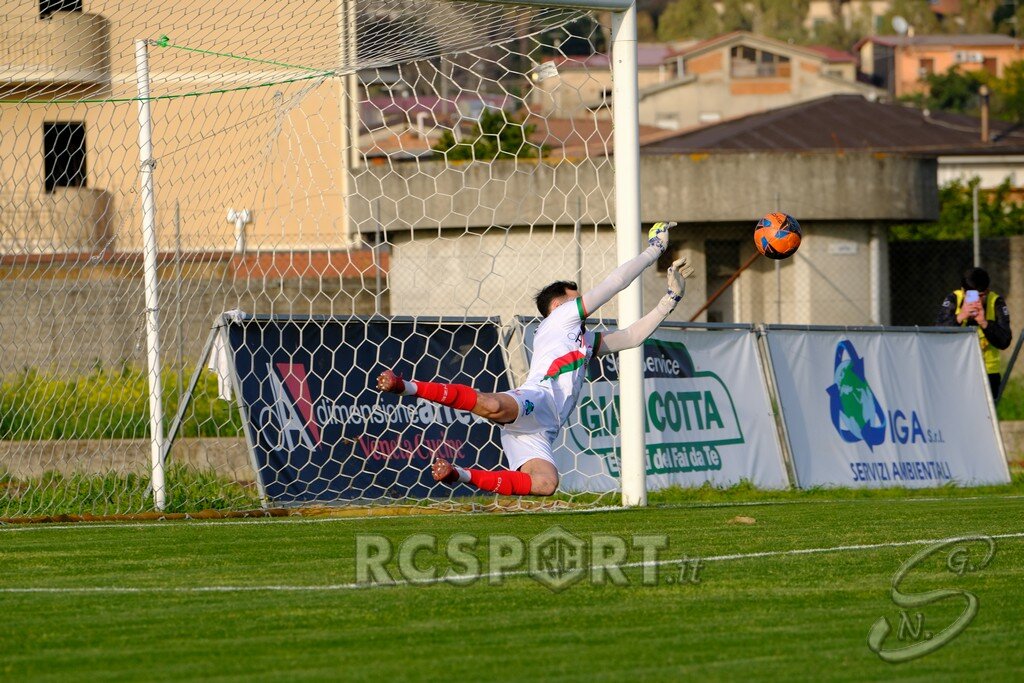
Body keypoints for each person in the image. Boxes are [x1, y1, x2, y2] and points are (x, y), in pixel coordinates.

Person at [375, 221, 693, 497]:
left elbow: (632, 337)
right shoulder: (559, 320)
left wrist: (671, 299)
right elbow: (614, 284)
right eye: (574, 297)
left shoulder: (581, 340)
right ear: (558, 306)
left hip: (544, 428)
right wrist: (654, 249)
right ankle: (406, 387)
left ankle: (458, 475)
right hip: (535, 400)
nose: (581, 301)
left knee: (544, 484)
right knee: (493, 406)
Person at [937, 267, 1012, 398]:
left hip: (988, 372)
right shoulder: (954, 298)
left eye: (980, 295)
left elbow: (1004, 341)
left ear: (987, 291)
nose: (975, 300)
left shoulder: (996, 302)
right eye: (970, 295)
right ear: (963, 290)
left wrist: (984, 323)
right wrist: (960, 317)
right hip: (956, 370)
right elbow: (937, 332)